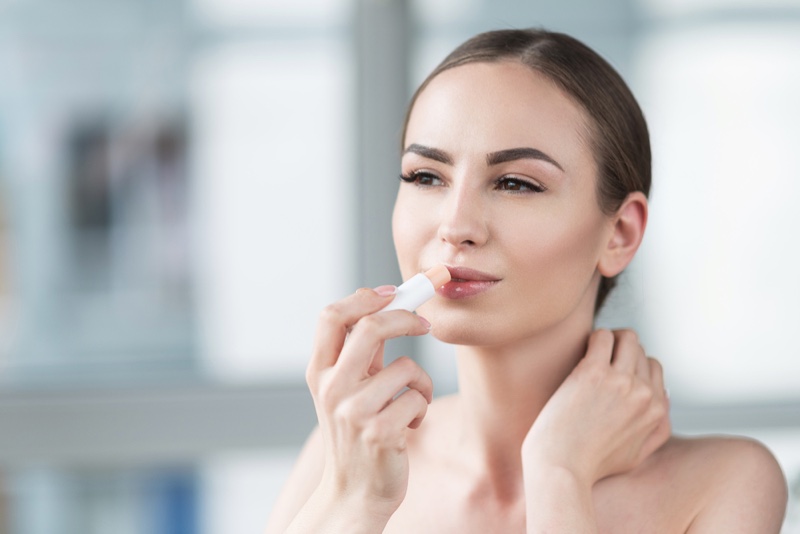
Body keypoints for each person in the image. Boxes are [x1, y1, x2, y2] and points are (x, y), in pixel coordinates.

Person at [266, 28, 788, 533]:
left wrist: (558, 474)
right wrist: (355, 498)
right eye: (426, 177)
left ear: (620, 234)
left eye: (516, 183)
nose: (456, 226)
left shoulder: (723, 483)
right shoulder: (349, 449)